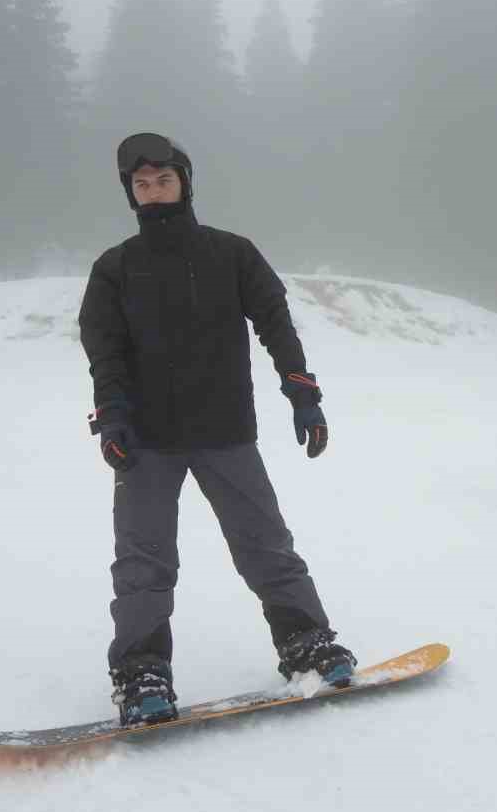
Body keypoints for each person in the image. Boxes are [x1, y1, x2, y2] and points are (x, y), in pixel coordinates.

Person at [78, 133, 356, 726]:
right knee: (143, 562)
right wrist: (113, 417)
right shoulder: (115, 269)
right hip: (147, 441)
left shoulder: (231, 254)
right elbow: (105, 352)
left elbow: (275, 321)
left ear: (185, 182)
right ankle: (141, 672)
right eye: (141, 184)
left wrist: (301, 391)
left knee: (266, 546)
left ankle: (306, 643)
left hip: (225, 431)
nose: (153, 192)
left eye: (164, 180)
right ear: (131, 193)